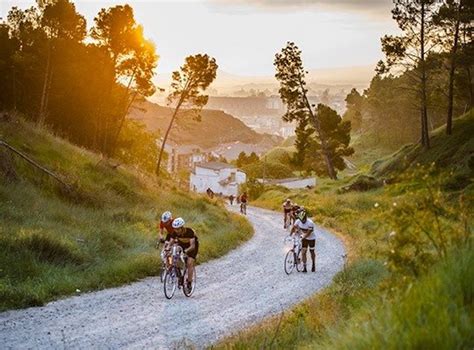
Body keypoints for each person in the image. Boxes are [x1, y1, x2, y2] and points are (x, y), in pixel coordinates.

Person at [168, 217, 199, 291]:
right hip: (182, 245)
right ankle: (180, 277)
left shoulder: (189, 231)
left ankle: (189, 282)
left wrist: (186, 251)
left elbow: (192, 246)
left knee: (189, 263)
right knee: (175, 259)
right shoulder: (174, 232)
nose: (176, 230)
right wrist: (167, 248)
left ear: (182, 227)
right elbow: (171, 242)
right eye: (175, 228)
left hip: (192, 247)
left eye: (178, 229)